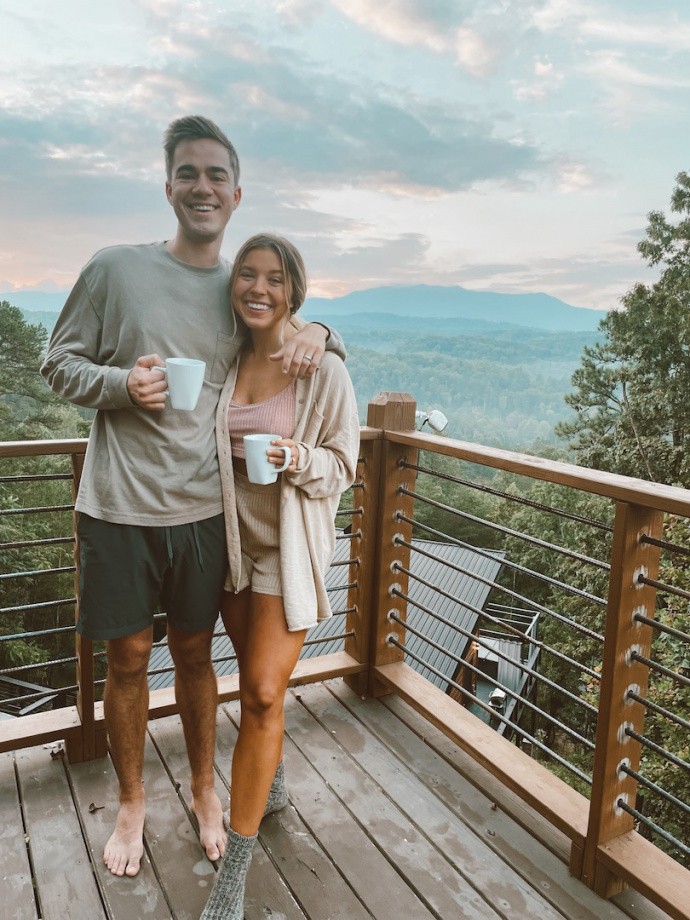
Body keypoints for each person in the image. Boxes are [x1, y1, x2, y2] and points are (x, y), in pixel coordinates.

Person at [40, 116, 345, 879]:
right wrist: (119, 385)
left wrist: (324, 330)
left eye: (216, 176)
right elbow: (58, 362)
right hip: (117, 508)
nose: (202, 187)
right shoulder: (113, 269)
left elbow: (285, 333)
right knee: (129, 657)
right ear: (168, 185)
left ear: (236, 195)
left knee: (193, 656)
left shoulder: (239, 287)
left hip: (207, 514)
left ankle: (207, 791)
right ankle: (134, 801)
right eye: (188, 173)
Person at [201, 234, 359, 919]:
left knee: (264, 692)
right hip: (230, 538)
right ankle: (276, 779)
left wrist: (296, 456)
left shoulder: (321, 369)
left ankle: (233, 873)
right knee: (251, 676)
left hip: (287, 545)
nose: (258, 288)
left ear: (294, 289)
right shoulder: (223, 351)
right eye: (247, 275)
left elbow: (342, 467)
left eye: (274, 278)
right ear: (234, 285)